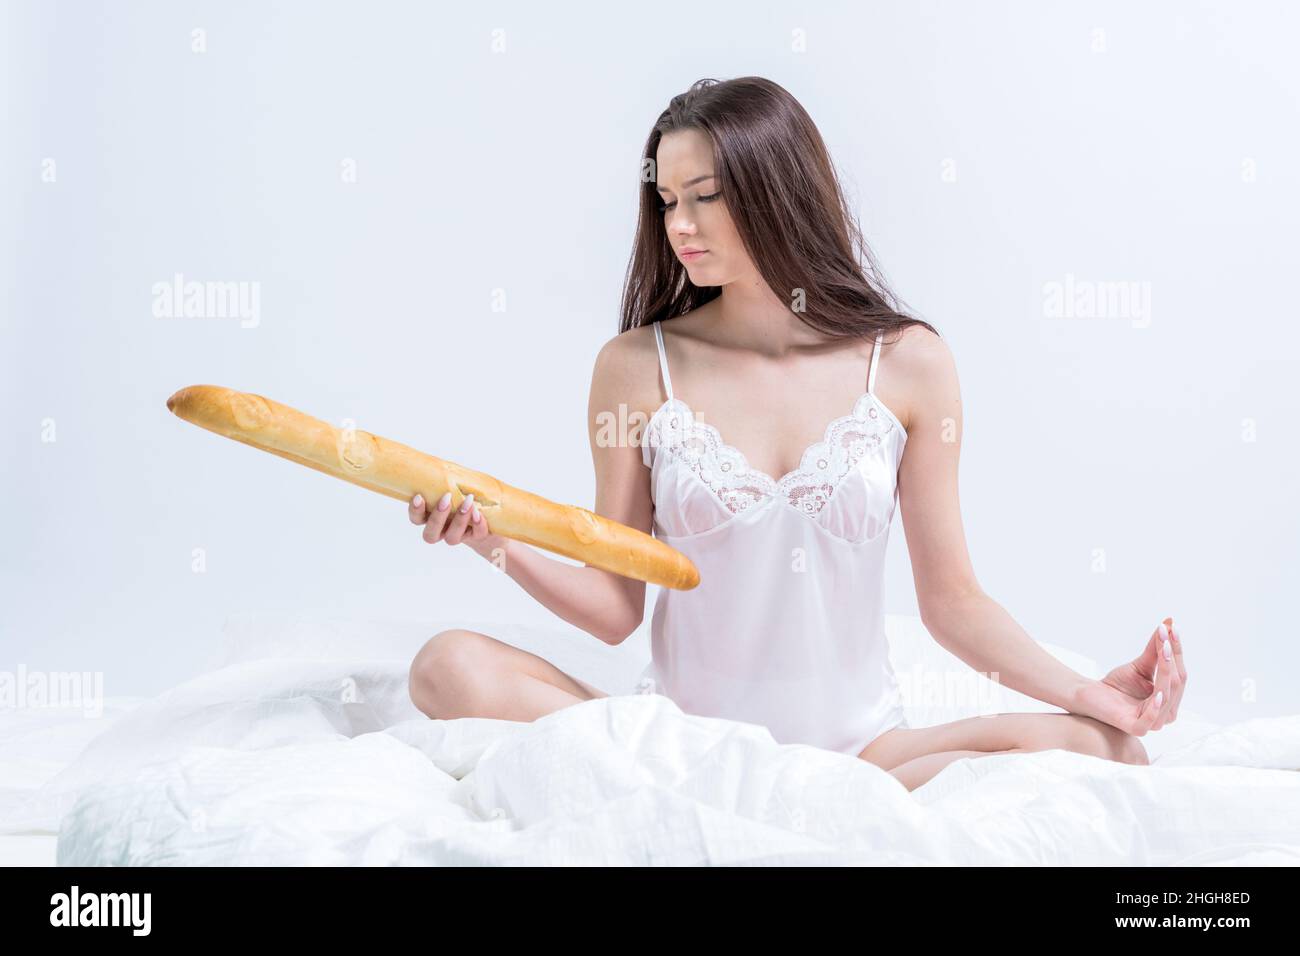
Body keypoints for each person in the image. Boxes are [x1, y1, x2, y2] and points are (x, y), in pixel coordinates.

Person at [404, 77, 1185, 791]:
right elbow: (615, 605)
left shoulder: (908, 363)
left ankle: (767, 796)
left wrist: (1084, 694)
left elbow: (953, 602)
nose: (680, 224)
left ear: (779, 189)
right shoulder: (638, 367)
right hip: (683, 743)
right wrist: (488, 536)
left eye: (704, 196)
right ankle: (717, 786)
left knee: (1112, 750)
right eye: (668, 200)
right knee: (447, 666)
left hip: (865, 755)